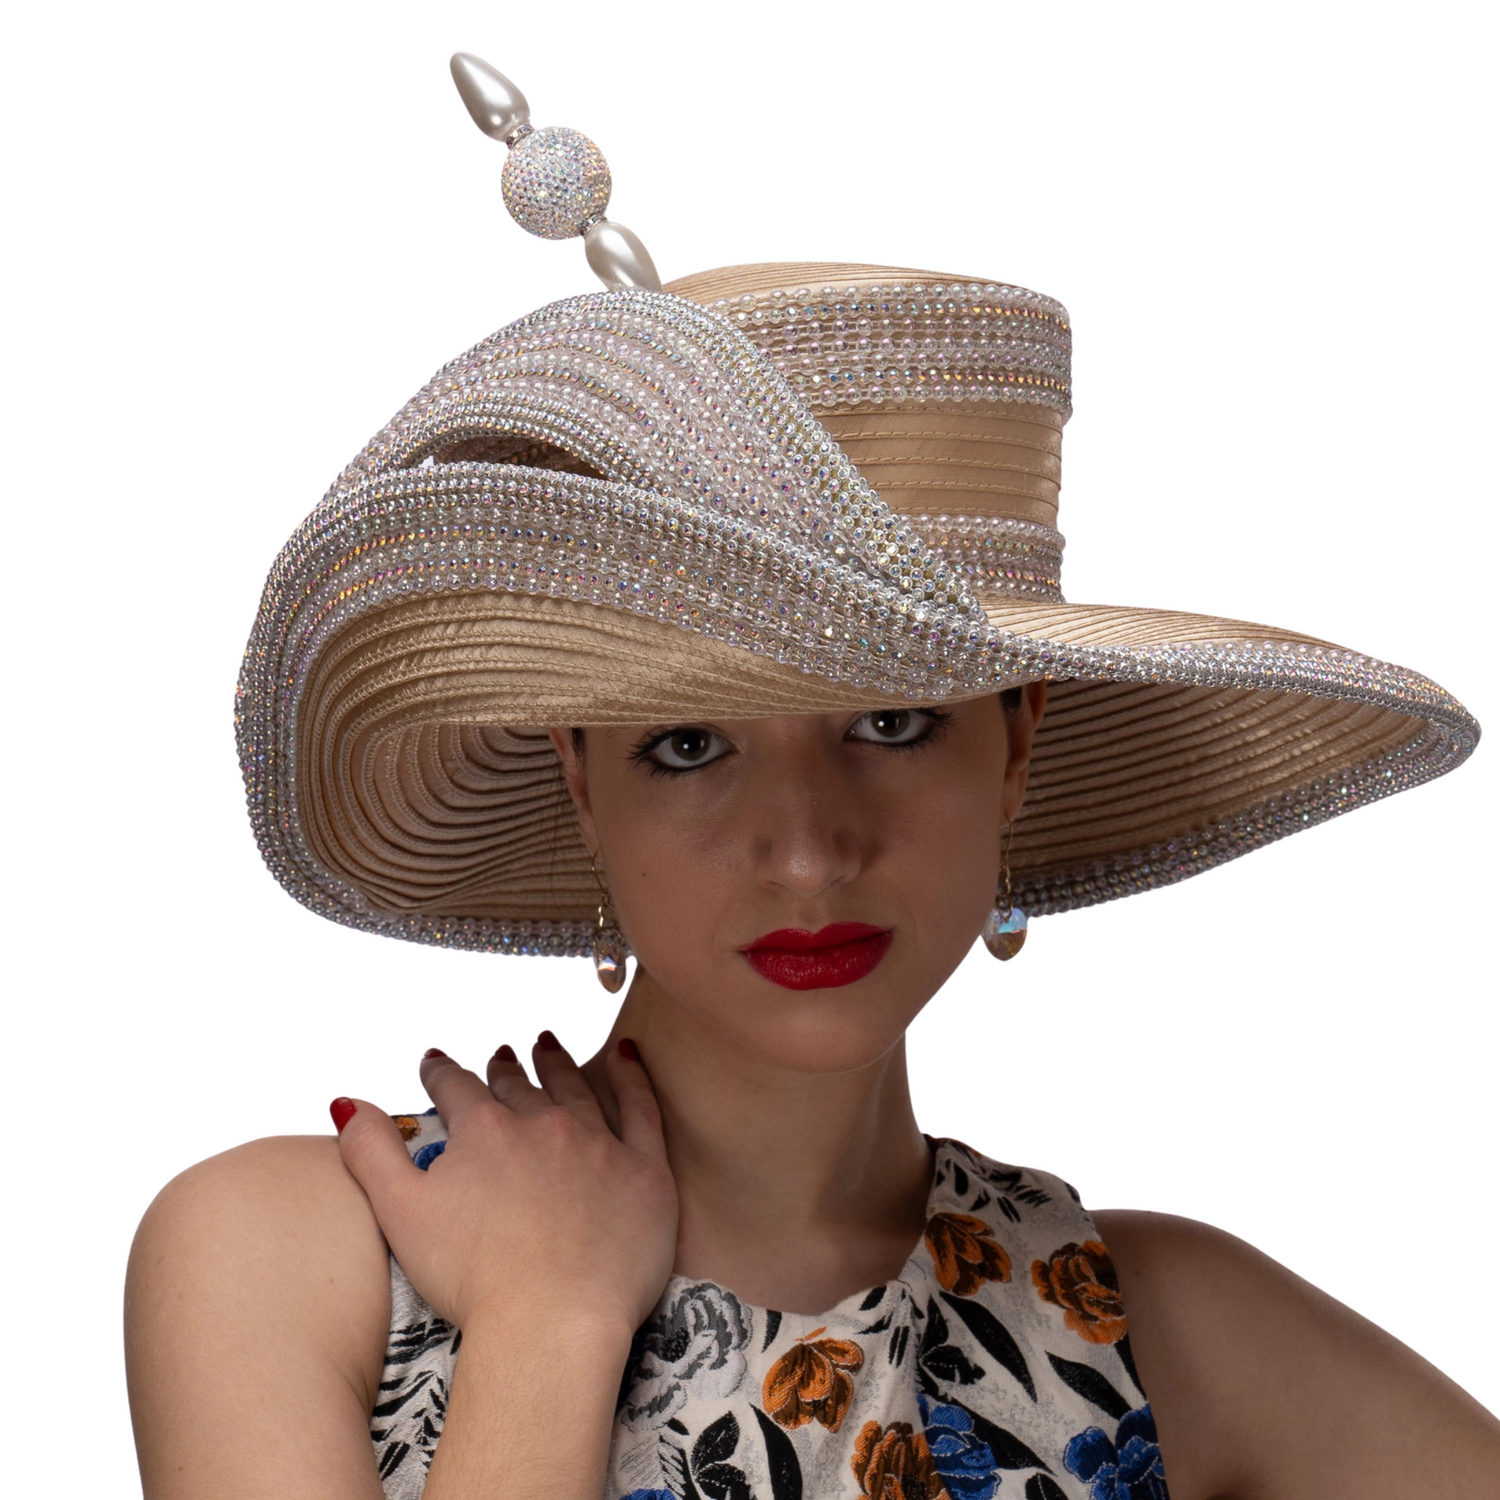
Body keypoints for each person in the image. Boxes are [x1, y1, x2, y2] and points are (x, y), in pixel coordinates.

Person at [124, 56, 1497, 1500]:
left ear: (1018, 739)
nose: (805, 852)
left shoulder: (1159, 1339)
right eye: (688, 745)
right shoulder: (295, 1256)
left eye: (892, 722)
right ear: (581, 780)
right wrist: (548, 1313)